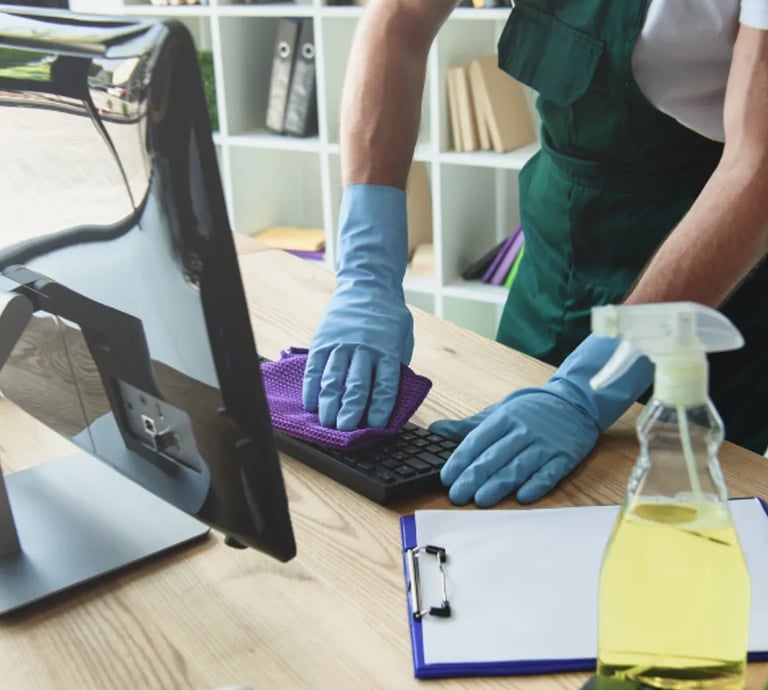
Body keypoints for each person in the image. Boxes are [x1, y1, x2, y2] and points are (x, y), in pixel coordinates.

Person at [302, 0, 768, 507]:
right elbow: (399, 20)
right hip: (556, 254)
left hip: (708, 279)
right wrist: (366, 272)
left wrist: (591, 385)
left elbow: (758, 164)